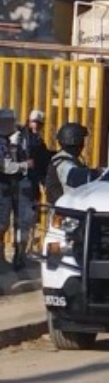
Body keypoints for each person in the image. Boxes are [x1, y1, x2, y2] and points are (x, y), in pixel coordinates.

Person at [0, 109, 31, 269]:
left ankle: (16, 257)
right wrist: (25, 165)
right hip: (3, 187)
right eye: (8, 122)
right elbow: (5, 166)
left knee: (17, 222)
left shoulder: (11, 139)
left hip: (12, 187)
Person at [45, 123, 101, 206]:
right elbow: (74, 176)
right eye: (82, 140)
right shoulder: (62, 162)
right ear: (75, 142)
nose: (83, 145)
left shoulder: (71, 159)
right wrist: (97, 173)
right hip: (64, 212)